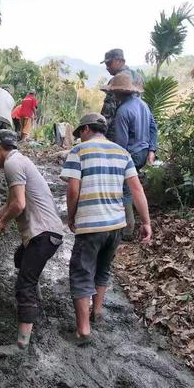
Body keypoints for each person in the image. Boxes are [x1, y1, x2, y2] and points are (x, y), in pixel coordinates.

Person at [60, 113, 152, 344]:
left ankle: (83, 330)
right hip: (116, 225)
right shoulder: (123, 153)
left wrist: (71, 216)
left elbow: (73, 190)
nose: (79, 137)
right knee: (103, 268)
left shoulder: (79, 152)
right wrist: (146, 222)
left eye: (79, 132)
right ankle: (97, 312)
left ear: (87, 129)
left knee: (81, 273)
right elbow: (137, 190)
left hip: (91, 224)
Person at [0, 129, 64, 357]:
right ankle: (34, 303)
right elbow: (9, 203)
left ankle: (21, 344)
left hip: (43, 234)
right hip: (48, 233)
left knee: (24, 285)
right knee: (20, 257)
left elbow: (17, 205)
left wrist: (3, 224)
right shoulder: (20, 162)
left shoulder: (12, 164)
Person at [102, 72, 157, 239]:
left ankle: (127, 231)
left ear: (118, 93)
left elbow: (121, 145)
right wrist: (152, 150)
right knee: (134, 186)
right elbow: (153, 128)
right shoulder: (143, 105)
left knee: (125, 189)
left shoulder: (123, 111)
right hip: (143, 152)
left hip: (131, 153)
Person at [100, 48, 143, 141]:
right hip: (136, 134)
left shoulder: (116, 81)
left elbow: (108, 113)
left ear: (119, 61)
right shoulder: (138, 77)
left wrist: (98, 133)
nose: (107, 67)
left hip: (117, 135)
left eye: (109, 63)